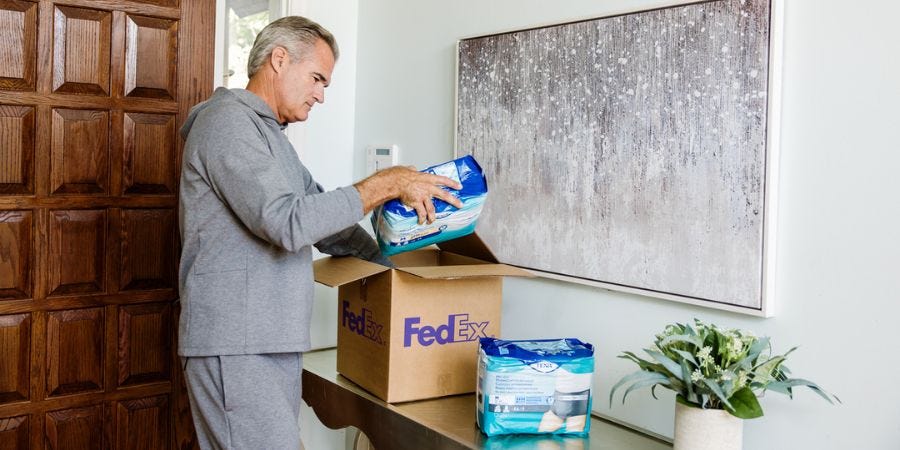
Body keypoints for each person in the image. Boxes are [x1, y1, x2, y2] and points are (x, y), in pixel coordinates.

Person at [177, 16, 462, 450]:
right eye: (316, 79)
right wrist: (383, 184)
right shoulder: (227, 124)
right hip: (236, 344)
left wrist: (401, 279)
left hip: (266, 341)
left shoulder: (272, 138)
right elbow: (287, 222)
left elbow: (333, 230)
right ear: (278, 59)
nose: (321, 95)